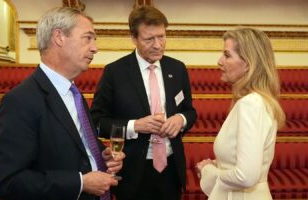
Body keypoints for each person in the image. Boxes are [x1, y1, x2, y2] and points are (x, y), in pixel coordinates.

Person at [0, 7, 125, 200]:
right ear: (59, 37)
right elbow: (10, 183)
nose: (95, 48)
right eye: (88, 38)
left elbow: (79, 144)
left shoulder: (75, 94)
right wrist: (80, 183)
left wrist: (102, 156)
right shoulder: (19, 101)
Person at [90, 5, 197, 200]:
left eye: (162, 37)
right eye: (149, 39)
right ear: (133, 38)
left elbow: (190, 111)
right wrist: (135, 126)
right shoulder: (114, 73)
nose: (158, 45)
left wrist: (180, 119)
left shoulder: (178, 68)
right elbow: (97, 122)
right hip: (133, 172)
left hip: (171, 168)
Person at [196, 27, 286, 200]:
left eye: (227, 55)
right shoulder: (256, 100)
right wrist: (219, 165)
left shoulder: (250, 104)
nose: (219, 61)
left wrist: (208, 171)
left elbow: (246, 176)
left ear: (248, 64)